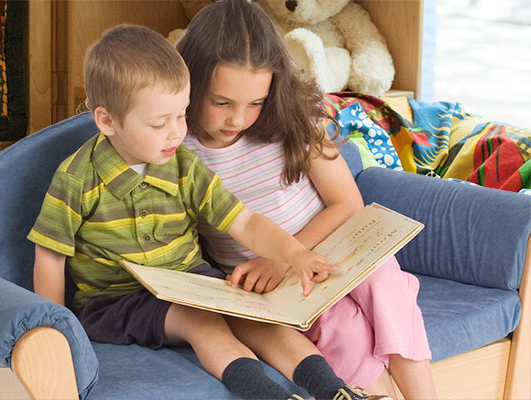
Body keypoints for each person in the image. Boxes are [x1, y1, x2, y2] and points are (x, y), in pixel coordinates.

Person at [28, 23, 391, 400]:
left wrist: (293, 253)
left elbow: (244, 221)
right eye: (158, 123)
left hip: (194, 282)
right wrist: (58, 331)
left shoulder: (183, 163)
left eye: (181, 116)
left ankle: (337, 392)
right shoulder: (76, 179)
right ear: (107, 121)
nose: (175, 133)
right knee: (201, 321)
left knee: (259, 316)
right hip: (118, 302)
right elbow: (50, 255)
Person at [177, 0, 438, 399]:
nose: (238, 119)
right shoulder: (181, 150)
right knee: (342, 331)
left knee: (387, 289)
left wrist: (284, 256)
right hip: (276, 283)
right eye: (222, 103)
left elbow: (347, 204)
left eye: (255, 103)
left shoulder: (292, 119)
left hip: (336, 245)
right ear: (191, 83)